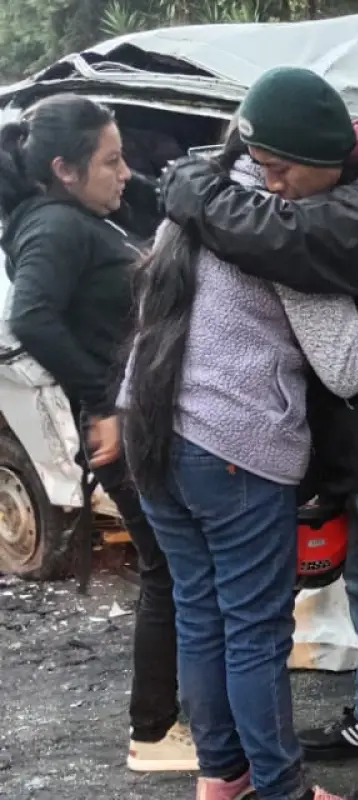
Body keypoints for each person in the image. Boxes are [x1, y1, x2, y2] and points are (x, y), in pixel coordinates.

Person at [159, 66, 358, 800]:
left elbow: (295, 262)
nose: (272, 186)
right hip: (354, 449)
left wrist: (196, 191)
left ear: (320, 152)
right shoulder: (326, 190)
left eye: (278, 169)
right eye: (259, 167)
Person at [0, 94, 198, 773]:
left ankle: (176, 712)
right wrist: (105, 401)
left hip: (141, 420)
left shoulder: (87, 218)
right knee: (166, 567)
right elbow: (33, 319)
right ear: (63, 168)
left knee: (173, 565)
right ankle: (154, 730)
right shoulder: (55, 228)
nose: (122, 172)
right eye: (110, 162)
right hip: (123, 430)